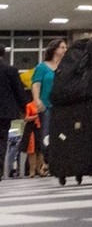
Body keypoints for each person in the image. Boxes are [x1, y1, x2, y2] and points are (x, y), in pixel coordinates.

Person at [31, 37, 66, 176]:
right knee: (46, 135)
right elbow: (36, 83)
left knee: (62, 135)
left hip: (61, 106)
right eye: (62, 47)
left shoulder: (66, 67)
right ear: (55, 49)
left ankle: (58, 162)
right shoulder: (42, 67)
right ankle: (47, 160)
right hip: (46, 106)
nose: (65, 50)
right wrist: (37, 99)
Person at [0, 44, 29, 182]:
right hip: (5, 112)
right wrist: (25, 109)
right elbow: (19, 92)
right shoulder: (10, 70)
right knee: (2, 140)